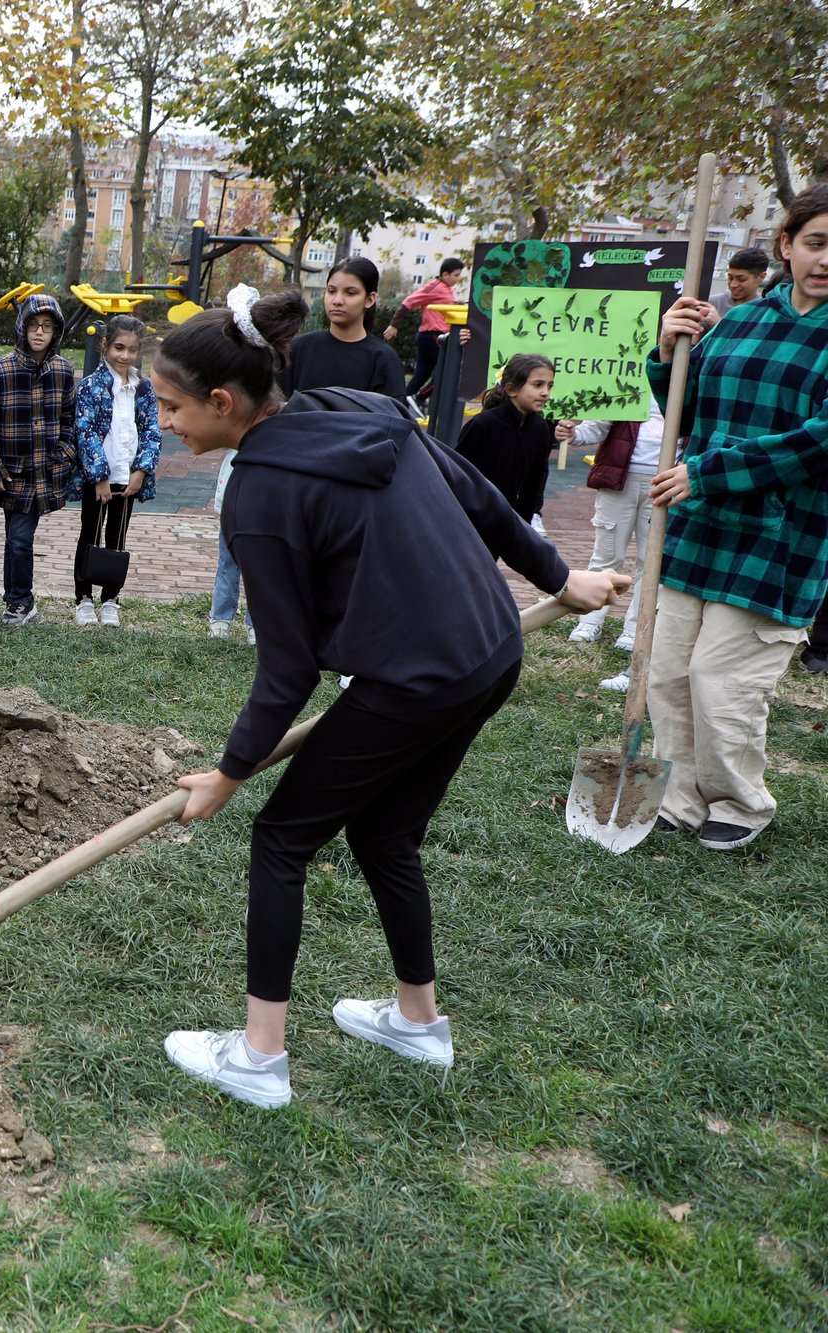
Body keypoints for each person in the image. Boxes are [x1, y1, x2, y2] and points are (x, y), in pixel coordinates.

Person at [157, 286, 624, 1109]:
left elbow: (289, 667)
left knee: (281, 838)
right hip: (490, 651)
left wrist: (229, 773)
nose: (165, 420)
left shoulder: (259, 495)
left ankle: (259, 1057)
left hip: (417, 680)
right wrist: (560, 574)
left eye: (171, 405)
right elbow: (479, 495)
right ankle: (417, 1021)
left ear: (223, 401)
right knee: (384, 832)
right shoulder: (360, 406)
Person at [644, 185, 828, 851]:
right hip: (698, 529)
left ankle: (740, 802)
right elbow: (685, 419)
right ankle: (680, 793)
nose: (825, 258)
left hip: (781, 539)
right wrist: (668, 353)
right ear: (787, 245)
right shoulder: (735, 323)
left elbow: (816, 442)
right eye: (816, 241)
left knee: (720, 682)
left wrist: (707, 473)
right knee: (667, 672)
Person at [0, 293, 78, 625]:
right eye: (34, 325)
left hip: (44, 473)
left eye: (47, 327)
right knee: (16, 538)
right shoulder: (1, 371)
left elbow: (70, 419)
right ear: (22, 327)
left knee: (20, 539)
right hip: (12, 473)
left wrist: (63, 456)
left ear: (57, 332)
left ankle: (19, 601)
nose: (39, 333)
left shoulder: (64, 371)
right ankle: (18, 601)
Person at [69, 314, 161, 627]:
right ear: (106, 346)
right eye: (119, 348)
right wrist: (99, 477)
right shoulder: (91, 387)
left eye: (133, 350)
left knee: (117, 538)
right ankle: (83, 599)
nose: (125, 355)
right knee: (90, 535)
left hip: (128, 478)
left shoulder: (144, 389)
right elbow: (86, 433)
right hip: (99, 480)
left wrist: (141, 470)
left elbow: (152, 429)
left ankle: (111, 598)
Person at [567, 400, 664, 651]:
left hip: (666, 482)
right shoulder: (630, 375)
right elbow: (599, 425)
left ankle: (635, 628)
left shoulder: (693, 374)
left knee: (652, 561)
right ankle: (590, 620)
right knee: (606, 554)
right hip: (619, 478)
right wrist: (574, 433)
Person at [456, 354, 561, 525]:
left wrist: (522, 525)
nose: (545, 393)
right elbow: (460, 475)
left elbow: (534, 481)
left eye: (550, 386)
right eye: (537, 385)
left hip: (508, 521)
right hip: (472, 519)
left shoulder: (540, 428)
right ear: (512, 389)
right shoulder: (484, 424)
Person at [284, 258, 408, 399]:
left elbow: (392, 418)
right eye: (331, 291)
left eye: (350, 293)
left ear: (370, 299)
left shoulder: (384, 360)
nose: (337, 301)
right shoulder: (298, 349)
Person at [384, 256, 467, 404]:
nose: (457, 279)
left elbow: (439, 304)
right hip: (432, 336)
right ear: (445, 274)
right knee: (448, 370)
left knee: (422, 374)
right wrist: (394, 324)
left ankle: (401, 403)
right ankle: (421, 397)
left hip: (432, 336)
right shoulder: (434, 286)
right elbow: (409, 301)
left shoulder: (446, 288)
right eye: (456, 275)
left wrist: (455, 303)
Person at [208, 447, 253, 643]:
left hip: (264, 506)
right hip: (231, 503)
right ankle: (221, 617)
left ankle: (256, 622)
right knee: (227, 563)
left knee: (260, 568)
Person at [710, 247, 770, 319]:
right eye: (730, 278)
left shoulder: (765, 312)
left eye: (741, 279)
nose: (733, 285)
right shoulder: (711, 303)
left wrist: (717, 324)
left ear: (761, 277)